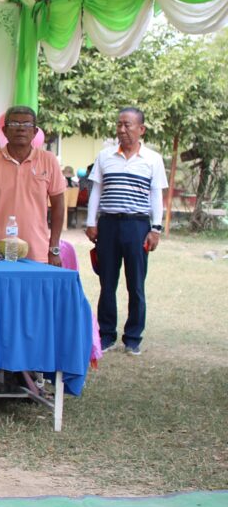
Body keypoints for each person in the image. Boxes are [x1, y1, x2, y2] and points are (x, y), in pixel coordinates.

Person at [85, 107, 167, 356]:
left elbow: (156, 196)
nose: (122, 130)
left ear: (141, 129)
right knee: (107, 282)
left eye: (128, 125)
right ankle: (107, 334)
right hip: (108, 225)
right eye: (119, 125)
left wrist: (156, 229)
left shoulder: (152, 159)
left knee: (136, 284)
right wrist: (91, 222)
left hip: (137, 226)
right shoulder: (105, 156)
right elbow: (96, 191)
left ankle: (132, 337)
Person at [0, 106, 65, 265]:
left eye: (26, 125)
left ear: (34, 131)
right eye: (14, 124)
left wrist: (54, 249)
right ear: (4, 131)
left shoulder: (49, 160)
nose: (20, 129)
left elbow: (58, 205)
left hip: (36, 250)